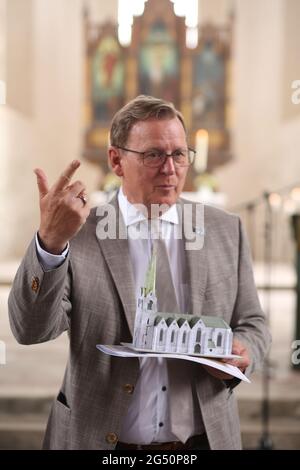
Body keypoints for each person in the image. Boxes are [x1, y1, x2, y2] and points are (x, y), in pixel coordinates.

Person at [8, 95, 271, 450]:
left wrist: (245, 352)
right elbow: (30, 329)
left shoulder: (224, 229)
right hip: (103, 443)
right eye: (153, 155)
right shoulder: (78, 233)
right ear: (116, 160)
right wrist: (51, 242)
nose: (170, 169)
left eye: (179, 154)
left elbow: (253, 321)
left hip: (202, 442)